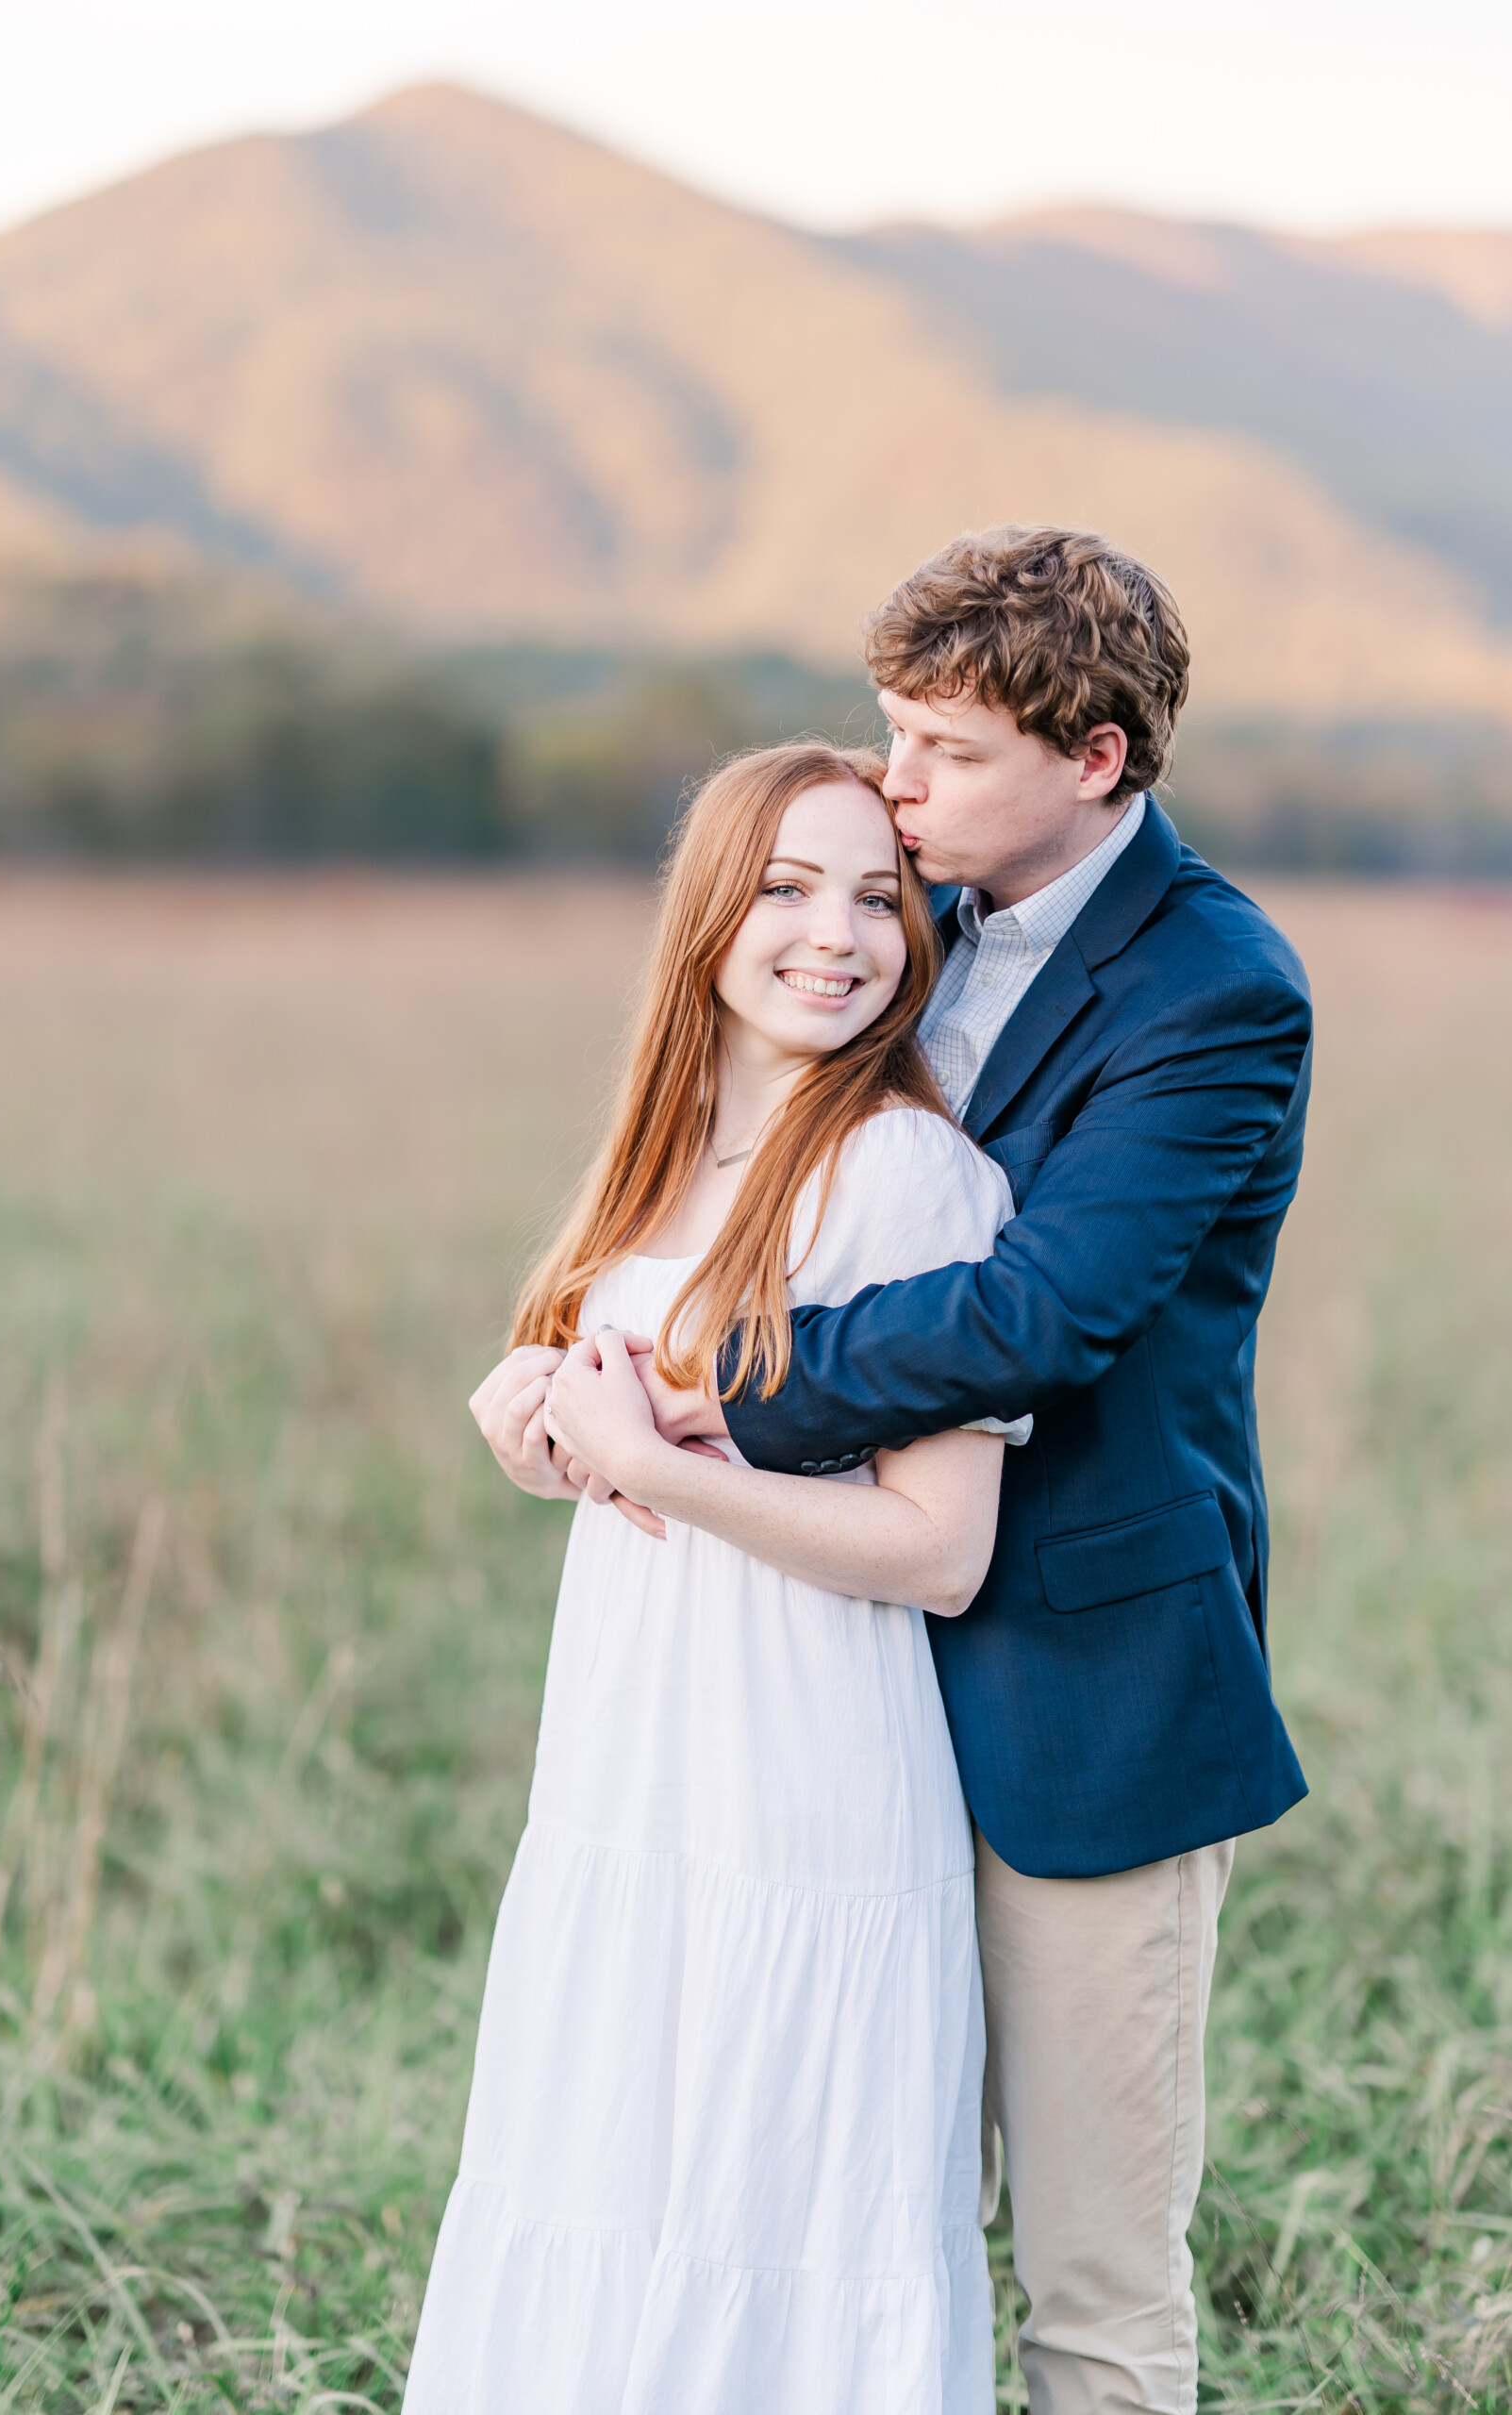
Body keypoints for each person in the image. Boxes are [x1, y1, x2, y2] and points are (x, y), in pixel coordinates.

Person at [480, 526, 1313, 2415]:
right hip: (812, 1710)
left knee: (1088, 2286)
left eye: (941, 747)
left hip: (1066, 1685)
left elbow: (1041, 1308)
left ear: (1092, 757)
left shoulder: (1212, 988)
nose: (899, 783)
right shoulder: (897, 930)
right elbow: (743, 1199)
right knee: (836, 2218)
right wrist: (560, 1369)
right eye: (890, 734)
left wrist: (697, 1398)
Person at [405, 741, 1032, 2413]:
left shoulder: (906, 1173)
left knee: (770, 2209)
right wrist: (539, 1426)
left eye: (878, 898)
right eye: (786, 887)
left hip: (801, 1776)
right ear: (706, 916)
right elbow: (630, 1438)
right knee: (609, 2177)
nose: (838, 935)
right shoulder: (660, 1159)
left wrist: (658, 1463)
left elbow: (942, 1550)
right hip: (633, 1766)